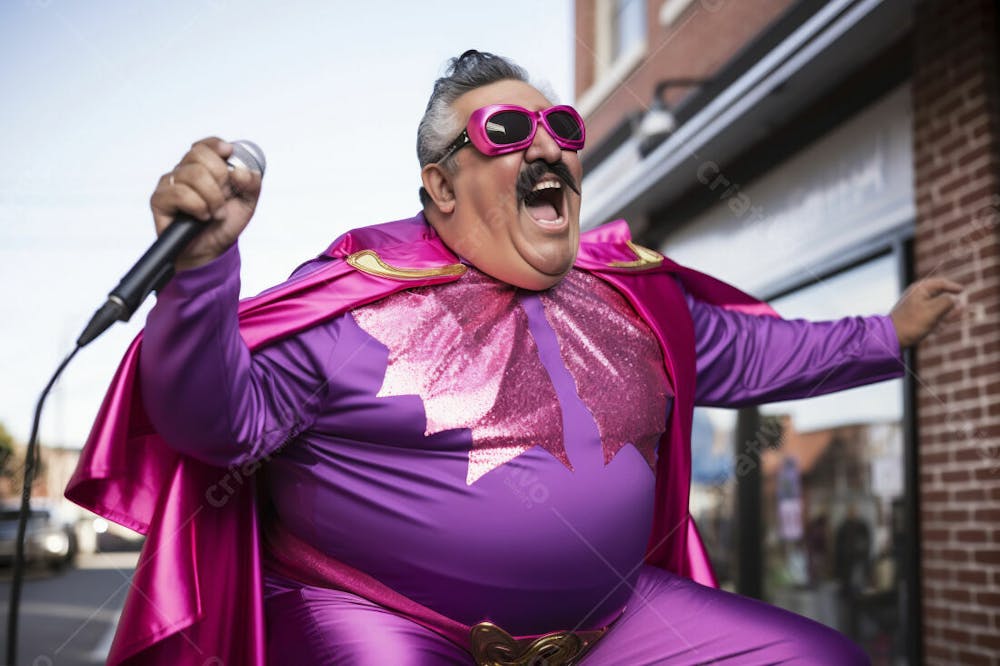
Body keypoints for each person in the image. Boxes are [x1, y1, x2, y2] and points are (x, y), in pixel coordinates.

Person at [67, 51, 961, 665]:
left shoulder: (630, 299)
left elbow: (752, 350)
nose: (546, 147)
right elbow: (214, 425)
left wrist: (887, 336)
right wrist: (198, 272)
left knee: (819, 656)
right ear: (441, 186)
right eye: (504, 132)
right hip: (380, 624)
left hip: (609, 626)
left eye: (560, 127)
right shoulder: (359, 304)